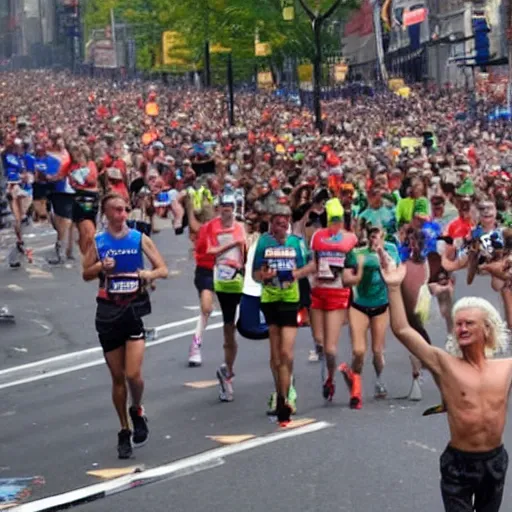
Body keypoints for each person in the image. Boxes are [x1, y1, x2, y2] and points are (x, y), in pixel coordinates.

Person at [380, 253, 510, 512]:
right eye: (458, 323)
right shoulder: (445, 364)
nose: (461, 328)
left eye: (469, 323)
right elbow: (403, 331)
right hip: (459, 464)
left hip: (495, 461)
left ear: (486, 329)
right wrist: (394, 287)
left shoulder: (505, 368)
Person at [82, 193, 168, 459]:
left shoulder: (138, 238)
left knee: (133, 375)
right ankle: (123, 430)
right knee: (118, 378)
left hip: (132, 309)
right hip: (108, 312)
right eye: (116, 210)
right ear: (106, 213)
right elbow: (85, 274)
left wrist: (147, 274)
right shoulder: (97, 241)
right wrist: (100, 266)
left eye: (124, 210)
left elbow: (163, 268)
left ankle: (137, 408)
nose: (121, 215)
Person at [253, 202, 315, 423]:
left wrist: (295, 274)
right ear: (272, 224)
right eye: (277, 223)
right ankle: (280, 394)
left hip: (290, 299)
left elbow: (311, 266)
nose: (281, 227)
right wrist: (264, 275)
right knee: (276, 354)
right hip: (270, 300)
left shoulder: (296, 242)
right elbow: (254, 274)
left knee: (287, 353)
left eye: (285, 222)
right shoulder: (263, 242)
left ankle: (287, 395)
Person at [339, 225, 401, 409]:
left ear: (383, 238)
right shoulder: (358, 254)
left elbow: (392, 270)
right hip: (359, 305)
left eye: (378, 237)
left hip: (381, 306)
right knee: (358, 351)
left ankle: (378, 380)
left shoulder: (391, 250)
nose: (375, 241)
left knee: (377, 351)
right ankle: (356, 389)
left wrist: (380, 253)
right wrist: (358, 270)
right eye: (372, 237)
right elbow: (345, 280)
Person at [310, 198, 357, 401]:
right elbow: (312, 262)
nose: (335, 224)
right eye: (332, 220)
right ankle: (329, 374)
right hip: (318, 292)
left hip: (337, 293)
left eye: (338, 220)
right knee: (320, 342)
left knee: (330, 348)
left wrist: (348, 276)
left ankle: (331, 378)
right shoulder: (317, 238)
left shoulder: (348, 241)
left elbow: (351, 269)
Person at [205, 189, 247, 402]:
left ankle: (228, 368)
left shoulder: (241, 227)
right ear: (219, 208)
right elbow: (210, 251)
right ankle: (228, 372)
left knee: (245, 326)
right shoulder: (213, 227)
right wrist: (232, 244)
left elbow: (246, 251)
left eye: (230, 209)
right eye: (224, 208)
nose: (227, 212)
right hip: (223, 281)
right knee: (229, 329)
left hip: (240, 279)